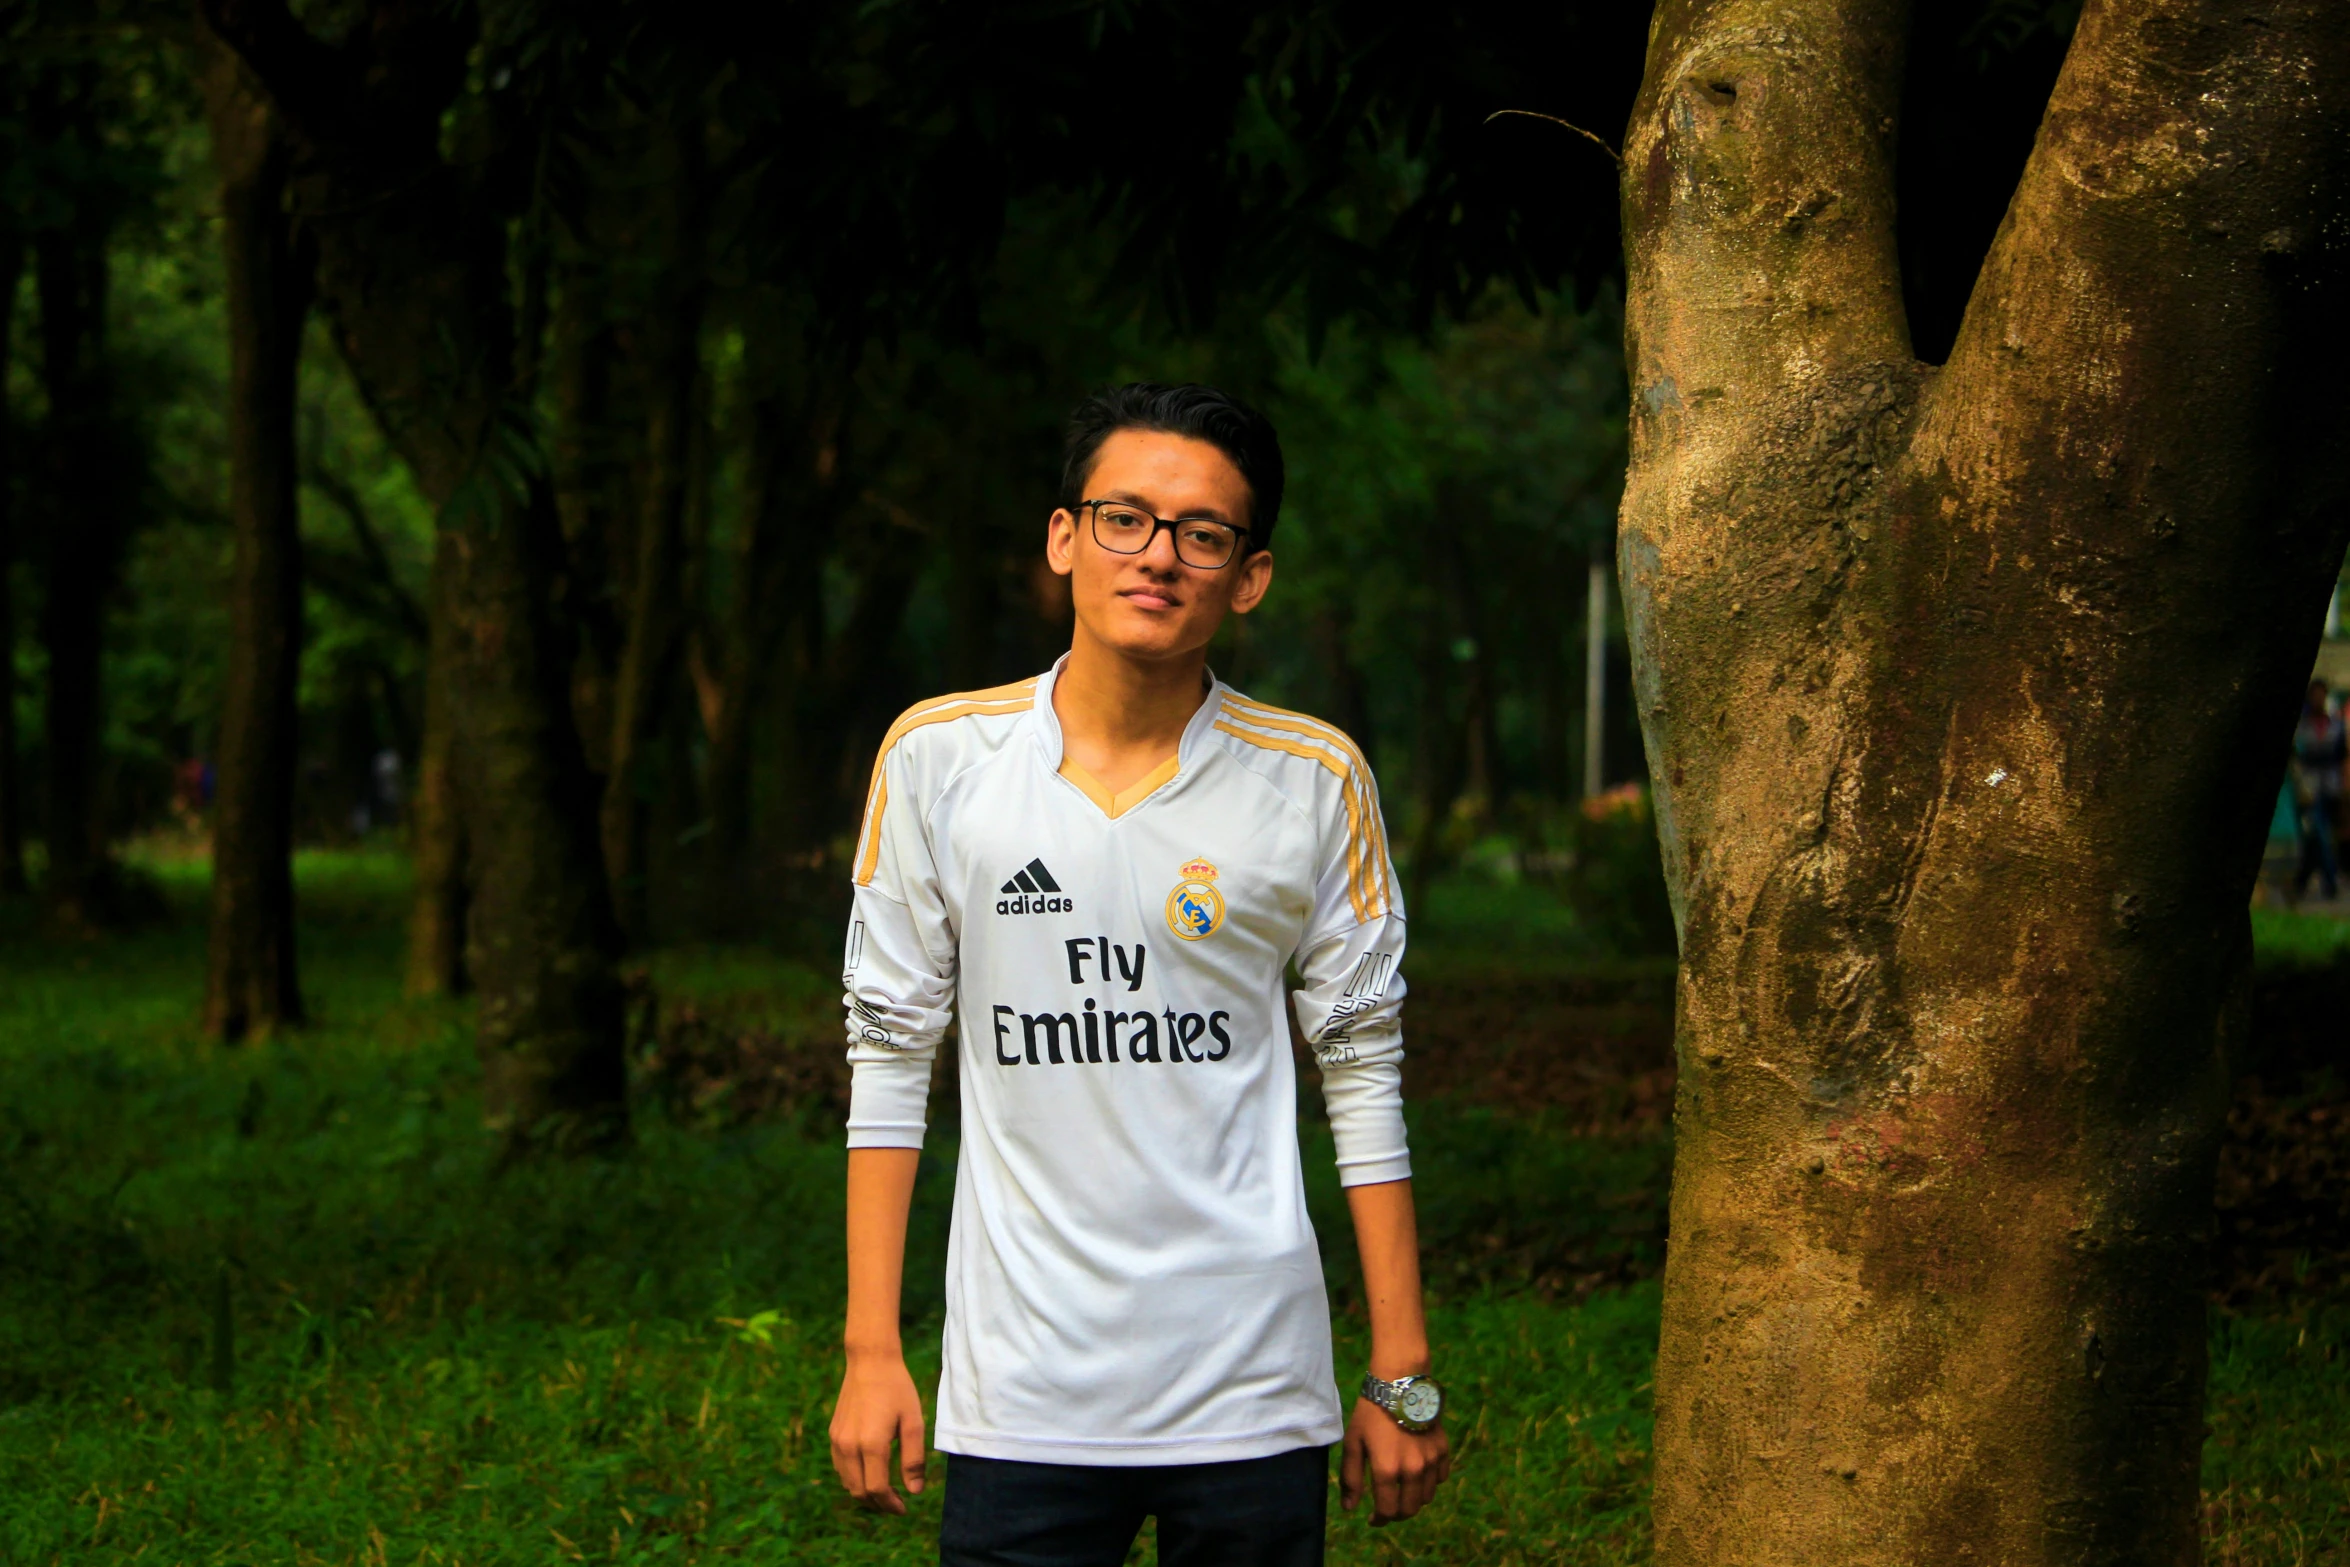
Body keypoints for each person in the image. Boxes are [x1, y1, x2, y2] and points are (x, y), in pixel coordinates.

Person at [829, 383, 1447, 1565]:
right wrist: (871, 1349)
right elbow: (890, 1060)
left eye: (1201, 533)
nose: (1157, 555)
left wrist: (1401, 1373)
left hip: (1254, 1392)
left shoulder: (1312, 778)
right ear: (1064, 538)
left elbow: (1363, 1074)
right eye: (1124, 518)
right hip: (1020, 1397)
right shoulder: (940, 759)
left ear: (1247, 575)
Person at [2292, 678, 2345, 901]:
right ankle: (2331, 882)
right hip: (2309, 787)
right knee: (2319, 832)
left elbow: (2341, 755)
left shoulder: (2335, 724)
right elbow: (2296, 757)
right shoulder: (2302, 726)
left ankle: (2300, 881)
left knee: (2316, 836)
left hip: (2331, 785)